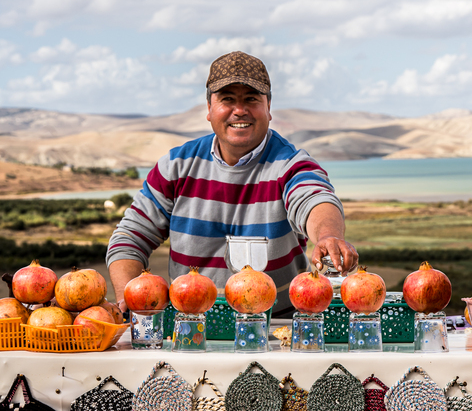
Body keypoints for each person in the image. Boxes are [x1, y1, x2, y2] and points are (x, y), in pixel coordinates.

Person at [106, 51, 358, 317]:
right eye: (228, 99)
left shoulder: (291, 164)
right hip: (191, 329)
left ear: (269, 108)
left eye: (251, 98)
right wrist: (128, 298)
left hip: (276, 333)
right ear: (209, 109)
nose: (240, 110)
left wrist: (329, 236)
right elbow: (130, 237)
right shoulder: (176, 166)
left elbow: (315, 199)